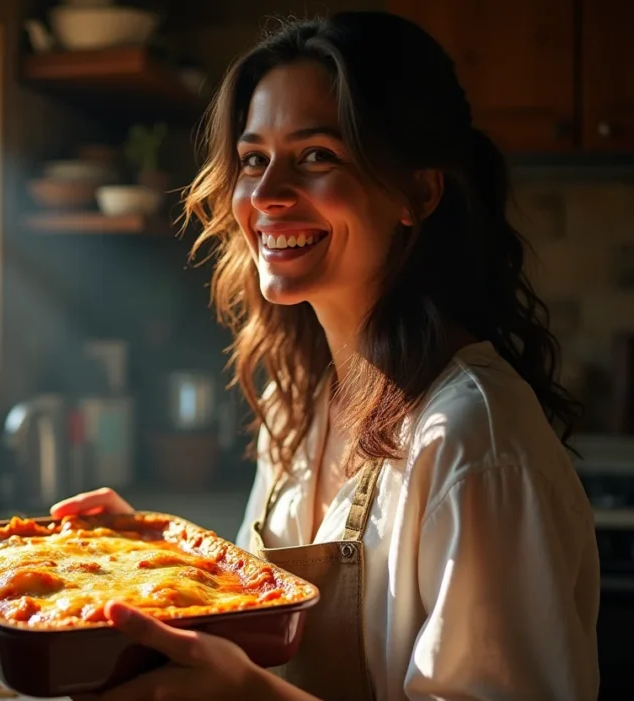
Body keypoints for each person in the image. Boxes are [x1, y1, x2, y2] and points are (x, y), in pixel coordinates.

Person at [51, 11, 600, 701]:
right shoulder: (298, 398)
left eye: (316, 156)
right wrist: (148, 565)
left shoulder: (472, 439)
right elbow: (257, 623)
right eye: (254, 159)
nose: (267, 195)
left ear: (417, 191)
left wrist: (249, 696)